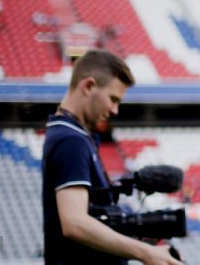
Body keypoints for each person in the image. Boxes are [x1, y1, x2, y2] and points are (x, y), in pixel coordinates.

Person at [42, 49, 181, 265]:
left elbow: (91, 217)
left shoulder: (77, 136)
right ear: (88, 86)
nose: (115, 110)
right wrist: (145, 252)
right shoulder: (71, 140)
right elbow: (75, 223)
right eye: (113, 99)